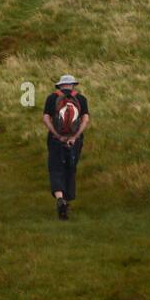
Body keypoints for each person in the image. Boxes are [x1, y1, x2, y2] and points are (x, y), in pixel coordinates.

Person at [42, 74, 90, 219]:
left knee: (56, 168)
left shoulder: (52, 98)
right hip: (75, 141)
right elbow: (85, 119)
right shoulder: (81, 99)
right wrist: (74, 137)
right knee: (70, 169)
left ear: (60, 85)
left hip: (56, 140)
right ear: (73, 85)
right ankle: (67, 202)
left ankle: (59, 198)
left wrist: (56, 134)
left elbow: (45, 118)